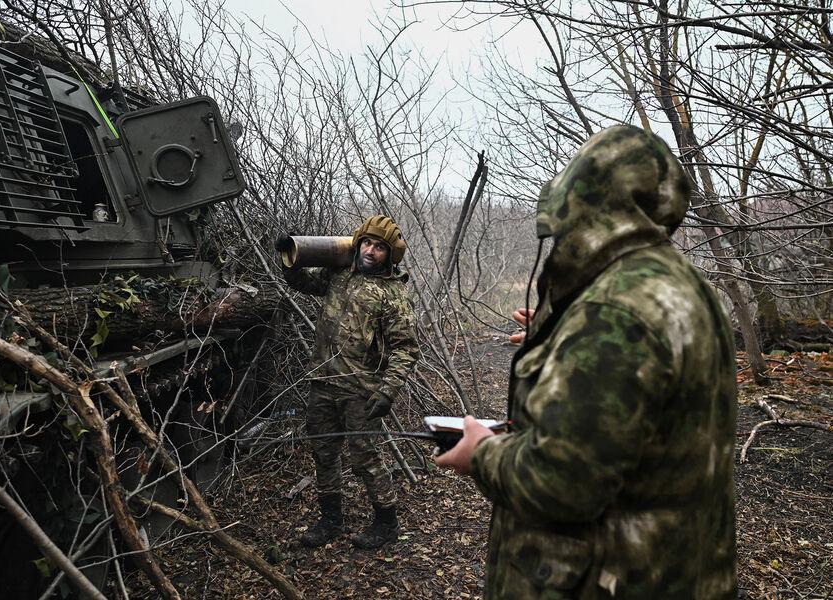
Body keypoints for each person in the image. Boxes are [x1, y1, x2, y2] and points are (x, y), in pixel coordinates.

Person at [435, 126, 738, 599]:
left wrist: (482, 455)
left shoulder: (613, 311)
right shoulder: (682, 286)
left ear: (583, 198)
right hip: (678, 572)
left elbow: (560, 483)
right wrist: (564, 335)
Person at [277, 215, 420, 549]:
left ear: (391, 253)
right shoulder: (339, 273)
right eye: (367, 243)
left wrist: (387, 390)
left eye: (380, 247)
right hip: (323, 381)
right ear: (358, 243)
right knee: (324, 452)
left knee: (364, 457)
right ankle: (331, 521)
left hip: (360, 389)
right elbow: (303, 283)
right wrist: (287, 257)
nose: (370, 251)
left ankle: (387, 524)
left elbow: (406, 349)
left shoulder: (393, 295)